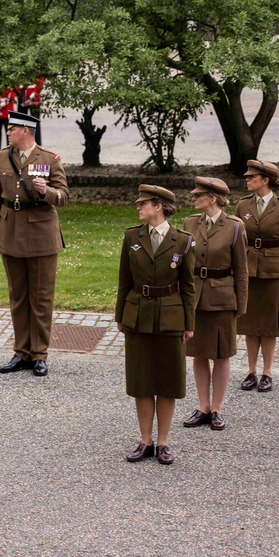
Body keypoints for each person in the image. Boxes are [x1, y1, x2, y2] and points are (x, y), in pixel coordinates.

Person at [116, 185, 196, 465]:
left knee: (167, 381)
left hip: (170, 318)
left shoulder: (183, 240)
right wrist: (120, 317)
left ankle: (163, 441)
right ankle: (145, 440)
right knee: (141, 381)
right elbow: (124, 281)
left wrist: (189, 323)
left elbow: (188, 286)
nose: (139, 208)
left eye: (143, 204)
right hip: (138, 316)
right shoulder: (131, 237)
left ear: (159, 207)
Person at [0, 111, 68, 377]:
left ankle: (39, 354)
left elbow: (64, 197)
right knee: (17, 295)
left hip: (41, 236)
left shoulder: (48, 159)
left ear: (25, 130)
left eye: (12, 129)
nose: (8, 133)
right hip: (10, 232)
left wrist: (48, 192)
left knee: (41, 297)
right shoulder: (3, 157)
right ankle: (21, 352)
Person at [181, 178, 248, 431]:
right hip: (195, 298)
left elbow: (241, 270)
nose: (193, 197)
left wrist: (240, 305)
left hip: (223, 300)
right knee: (198, 352)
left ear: (213, 199)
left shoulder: (234, 226)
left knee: (221, 354)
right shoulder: (189, 223)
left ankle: (217, 408)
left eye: (198, 195)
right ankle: (203, 407)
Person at [235, 159, 279, 394]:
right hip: (248, 270)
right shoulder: (242, 206)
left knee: (269, 325)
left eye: (252, 177)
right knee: (250, 323)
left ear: (265, 180)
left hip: (274, 272)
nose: (247, 180)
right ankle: (251, 372)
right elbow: (236, 241)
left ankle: (267, 372)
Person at [0, 88, 17, 156]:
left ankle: (10, 152)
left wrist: (2, 104)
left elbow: (12, 95)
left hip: (7, 112)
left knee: (10, 134)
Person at [18, 78, 44, 145]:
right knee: (21, 124)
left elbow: (40, 82)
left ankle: (38, 145)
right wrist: (20, 95)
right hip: (22, 99)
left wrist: (35, 94)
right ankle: (22, 145)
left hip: (34, 99)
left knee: (35, 123)